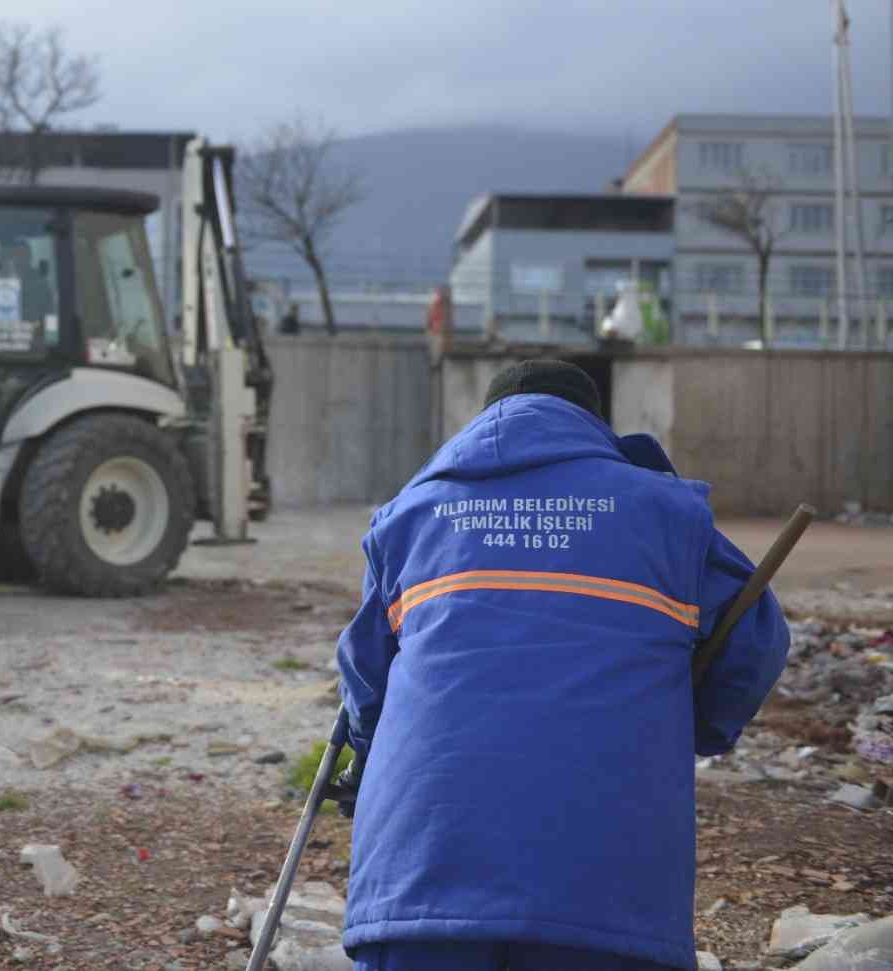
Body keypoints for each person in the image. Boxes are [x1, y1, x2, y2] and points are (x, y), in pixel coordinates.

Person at [331, 359, 790, 971]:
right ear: (591, 425)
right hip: (605, 882)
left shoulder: (412, 515)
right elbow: (755, 642)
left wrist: (365, 755)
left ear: (483, 422)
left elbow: (365, 680)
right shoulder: (666, 513)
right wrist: (695, 722)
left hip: (420, 870)